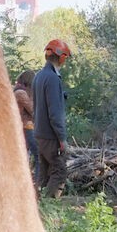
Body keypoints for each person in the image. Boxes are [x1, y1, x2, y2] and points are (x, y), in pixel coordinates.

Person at [32, 39, 71, 195]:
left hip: (39, 134)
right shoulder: (53, 79)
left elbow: (38, 105)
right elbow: (55, 113)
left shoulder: (39, 76)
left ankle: (38, 205)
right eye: (65, 57)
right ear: (61, 57)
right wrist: (62, 139)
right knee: (59, 172)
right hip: (50, 136)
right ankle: (50, 208)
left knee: (43, 173)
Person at [13, 73, 37, 186]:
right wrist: (34, 96)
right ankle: (37, 185)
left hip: (24, 127)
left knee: (25, 155)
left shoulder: (19, 90)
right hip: (26, 126)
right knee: (37, 154)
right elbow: (32, 110)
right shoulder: (21, 93)